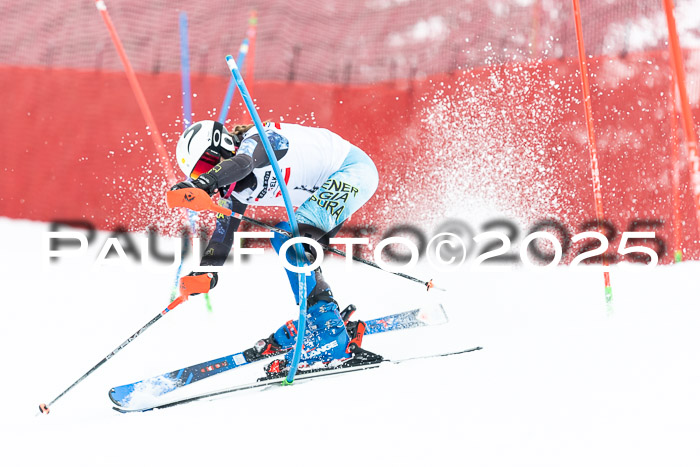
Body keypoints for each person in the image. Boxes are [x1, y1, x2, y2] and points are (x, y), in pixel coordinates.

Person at [169, 119, 382, 376]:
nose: (207, 173)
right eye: (196, 173)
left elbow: (244, 163)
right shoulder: (235, 192)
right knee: (297, 247)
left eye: (206, 165)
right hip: (331, 187)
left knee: (288, 238)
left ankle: (328, 334)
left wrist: (203, 183)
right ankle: (324, 320)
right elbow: (223, 234)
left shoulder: (258, 139)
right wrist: (207, 271)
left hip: (352, 171)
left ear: (222, 144)